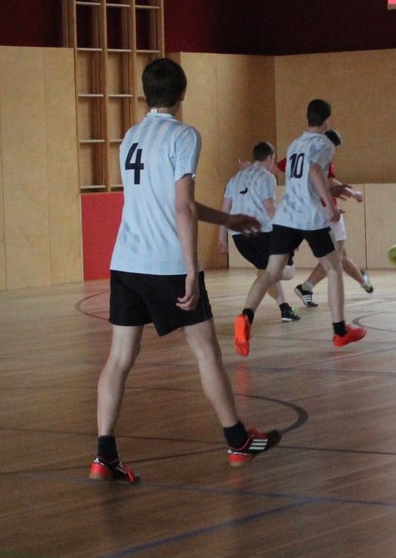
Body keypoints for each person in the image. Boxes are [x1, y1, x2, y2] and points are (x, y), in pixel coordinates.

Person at [91, 58, 282, 483]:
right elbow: (181, 207)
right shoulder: (184, 136)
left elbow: (175, 203)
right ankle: (237, 442)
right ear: (183, 94)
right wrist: (192, 269)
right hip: (167, 263)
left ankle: (104, 457)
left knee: (119, 358)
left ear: (144, 95)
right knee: (206, 351)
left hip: (126, 261)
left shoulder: (130, 137)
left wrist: (227, 219)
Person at [235, 100, 367, 356]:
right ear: (327, 120)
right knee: (334, 269)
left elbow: (302, 178)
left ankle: (245, 317)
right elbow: (315, 172)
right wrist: (329, 206)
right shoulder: (325, 144)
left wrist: (333, 192)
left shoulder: (295, 144)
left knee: (270, 272)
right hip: (310, 216)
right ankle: (340, 331)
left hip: (285, 216)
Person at [219, 142, 300, 324]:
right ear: (270, 157)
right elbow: (270, 208)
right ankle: (246, 315)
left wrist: (221, 239)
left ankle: (285, 309)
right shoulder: (266, 177)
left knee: (266, 270)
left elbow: (224, 210)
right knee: (287, 272)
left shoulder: (235, 179)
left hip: (239, 238)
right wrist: (287, 232)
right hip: (262, 234)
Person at [295, 129, 373, 306]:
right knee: (335, 256)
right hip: (326, 211)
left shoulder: (300, 155)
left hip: (310, 211)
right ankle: (307, 286)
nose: (335, 152)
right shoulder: (323, 159)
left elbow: (281, 168)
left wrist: (351, 192)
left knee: (341, 255)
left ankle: (364, 282)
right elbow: (328, 185)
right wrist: (346, 198)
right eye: (335, 148)